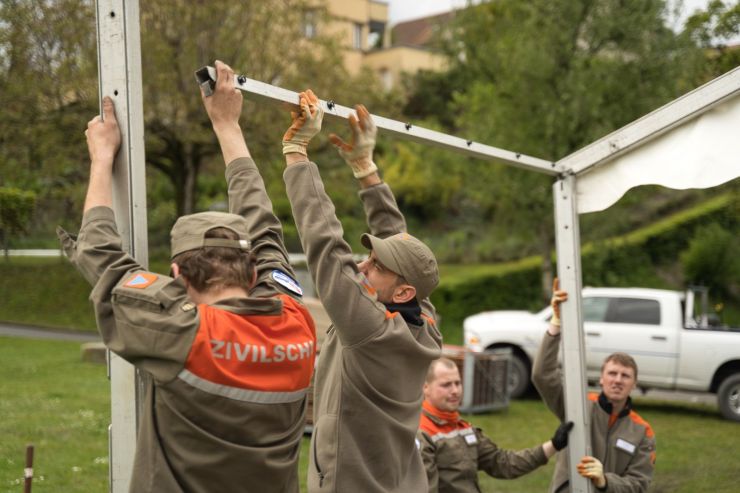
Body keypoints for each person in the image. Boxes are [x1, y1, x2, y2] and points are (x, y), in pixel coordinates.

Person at [57, 61, 316, 492]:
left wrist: (101, 159)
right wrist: (227, 125)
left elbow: (100, 255)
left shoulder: (182, 331)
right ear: (253, 272)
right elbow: (265, 228)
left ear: (177, 276)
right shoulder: (296, 323)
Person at [281, 91, 443, 492]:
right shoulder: (425, 324)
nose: (361, 264)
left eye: (375, 266)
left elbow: (326, 243)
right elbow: (398, 243)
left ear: (403, 292)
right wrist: (365, 170)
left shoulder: (370, 328)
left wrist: (297, 152)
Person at [532, 279, 656, 492]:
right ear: (601, 379)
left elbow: (639, 484)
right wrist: (556, 323)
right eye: (612, 373)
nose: (617, 380)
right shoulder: (577, 406)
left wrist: (605, 481)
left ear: (634, 384)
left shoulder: (642, 431)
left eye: (625, 376)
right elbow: (542, 375)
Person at [417, 357, 572, 493]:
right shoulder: (422, 432)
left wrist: (553, 445)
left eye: (458, 383)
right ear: (425, 388)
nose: (455, 391)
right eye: (446, 385)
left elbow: (503, 464)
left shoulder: (462, 428)